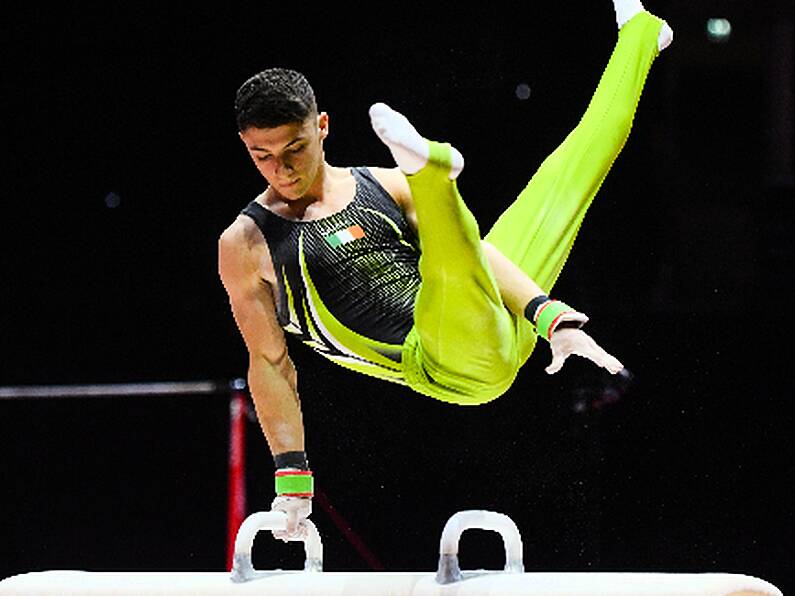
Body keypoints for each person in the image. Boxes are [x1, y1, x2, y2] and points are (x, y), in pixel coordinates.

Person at [218, 0, 673, 540]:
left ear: (322, 127)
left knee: (568, 174)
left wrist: (556, 321)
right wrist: (292, 478)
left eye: (294, 147)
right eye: (261, 155)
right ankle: (436, 173)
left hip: (491, 318)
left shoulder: (380, 186)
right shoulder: (246, 243)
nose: (281, 168)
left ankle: (642, 35)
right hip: (441, 364)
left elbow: (474, 259)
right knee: (449, 274)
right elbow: (270, 364)